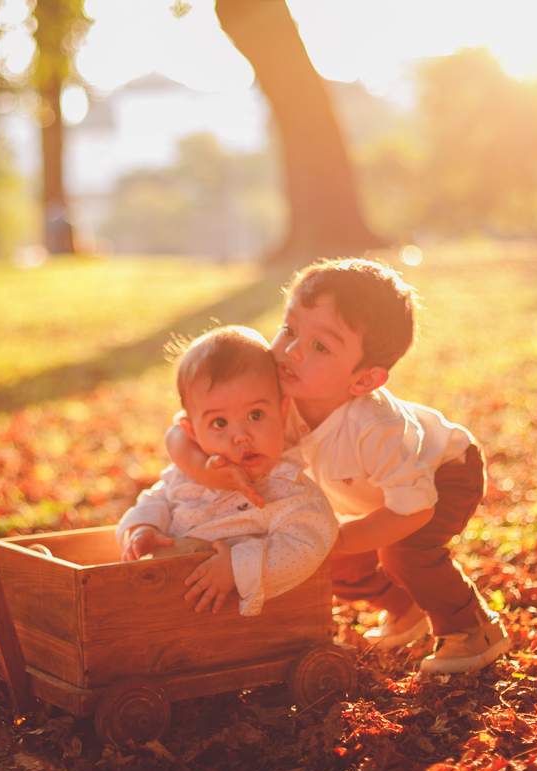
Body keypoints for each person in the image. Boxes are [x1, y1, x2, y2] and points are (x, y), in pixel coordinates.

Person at [167, 260, 510, 674]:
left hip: (444, 473)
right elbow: (179, 432)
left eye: (321, 346)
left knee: (402, 552)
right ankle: (405, 609)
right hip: (373, 492)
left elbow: (414, 509)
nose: (292, 350)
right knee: (330, 560)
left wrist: (341, 538)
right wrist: (208, 472)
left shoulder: (375, 427)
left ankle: (473, 629)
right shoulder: (279, 388)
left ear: (364, 381)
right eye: (290, 330)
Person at [116, 325, 339, 617]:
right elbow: (158, 497)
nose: (241, 436)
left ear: (282, 412)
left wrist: (236, 567)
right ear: (192, 431)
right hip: (161, 596)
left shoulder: (288, 489)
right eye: (219, 423)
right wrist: (142, 528)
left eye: (255, 415)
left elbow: (308, 541)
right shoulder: (189, 473)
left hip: (227, 616)